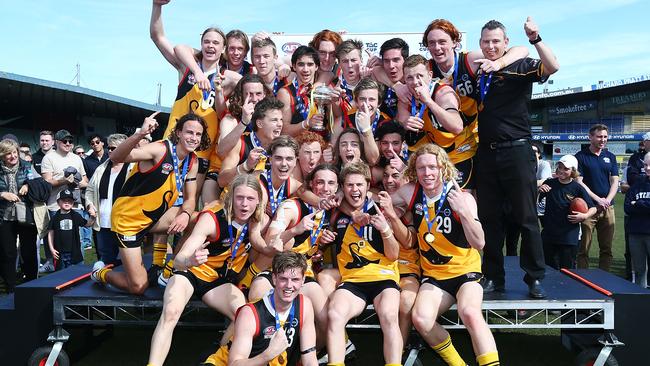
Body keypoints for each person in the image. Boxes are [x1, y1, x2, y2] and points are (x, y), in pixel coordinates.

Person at [388, 144, 499, 366]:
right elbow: (383, 203)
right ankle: (458, 364)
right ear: (414, 170)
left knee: (469, 312)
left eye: (433, 167)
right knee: (421, 319)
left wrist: (464, 213)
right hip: (435, 276)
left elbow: (480, 242)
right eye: (421, 168)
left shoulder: (461, 197)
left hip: (465, 271)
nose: (427, 173)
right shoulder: (411, 191)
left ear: (443, 168)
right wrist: (396, 211)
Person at [474, 18, 559, 298]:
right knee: (489, 219)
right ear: (480, 44)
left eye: (496, 41)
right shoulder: (476, 70)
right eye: (486, 41)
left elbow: (553, 66)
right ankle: (492, 276)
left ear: (505, 42)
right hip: (485, 152)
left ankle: (534, 277)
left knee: (526, 217)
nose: (490, 46)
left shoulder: (519, 65)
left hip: (518, 150)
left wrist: (535, 38)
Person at [147, 174, 268, 366]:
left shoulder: (259, 220)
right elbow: (179, 259)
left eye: (250, 198)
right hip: (191, 272)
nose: (244, 204)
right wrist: (191, 259)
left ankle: (215, 358)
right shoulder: (212, 219)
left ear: (258, 201)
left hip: (218, 281)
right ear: (231, 198)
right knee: (170, 313)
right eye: (240, 197)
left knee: (245, 315)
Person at [91, 112, 208, 295]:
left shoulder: (192, 161)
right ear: (178, 133)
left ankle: (168, 270)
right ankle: (101, 273)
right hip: (127, 222)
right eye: (189, 132)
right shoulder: (160, 149)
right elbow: (117, 158)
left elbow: (191, 199)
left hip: (152, 218)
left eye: (198, 134)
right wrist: (139, 134)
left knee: (199, 219)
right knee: (138, 287)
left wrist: (185, 215)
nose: (193, 138)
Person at [249, 163, 338, 350]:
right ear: (311, 185)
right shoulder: (292, 207)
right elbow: (273, 238)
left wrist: (321, 243)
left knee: (326, 317)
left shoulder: (329, 211)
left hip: (303, 274)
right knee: (257, 297)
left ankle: (304, 357)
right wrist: (295, 230)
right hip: (276, 269)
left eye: (331, 183)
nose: (325, 188)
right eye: (320, 182)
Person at [321, 162, 402, 366]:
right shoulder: (336, 211)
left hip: (384, 278)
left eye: (359, 185)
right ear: (342, 187)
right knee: (335, 314)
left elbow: (394, 255)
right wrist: (322, 240)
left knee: (389, 316)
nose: (354, 190)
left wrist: (385, 231)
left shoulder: (381, 209)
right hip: (352, 281)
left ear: (368, 186)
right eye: (349, 185)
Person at [201, 251, 318, 366]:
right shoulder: (250, 313)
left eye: (295, 280)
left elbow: (309, 359)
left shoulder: (305, 305)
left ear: (303, 281)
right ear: (274, 279)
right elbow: (234, 364)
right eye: (283, 279)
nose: (288, 285)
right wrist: (268, 354)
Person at [374, 162, 420, 347]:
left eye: (395, 175)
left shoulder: (414, 206)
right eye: (385, 176)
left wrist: (392, 215)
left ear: (407, 178)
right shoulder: (376, 203)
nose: (389, 180)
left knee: (406, 302)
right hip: (379, 268)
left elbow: (409, 241)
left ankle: (397, 352)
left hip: (406, 267)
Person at [396, 55, 463, 164]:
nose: (415, 82)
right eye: (409, 78)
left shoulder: (443, 93)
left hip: (458, 154)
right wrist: (404, 124)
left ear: (430, 75)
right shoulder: (406, 97)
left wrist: (429, 102)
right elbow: (402, 121)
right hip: (429, 158)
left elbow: (457, 127)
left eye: (420, 76)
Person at [41, 129, 89, 272]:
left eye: (70, 141)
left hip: (74, 205)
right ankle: (60, 275)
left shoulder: (76, 158)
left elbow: (85, 180)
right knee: (59, 244)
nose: (68, 144)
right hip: (56, 206)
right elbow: (46, 182)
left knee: (77, 241)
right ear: (56, 142)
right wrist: (63, 180)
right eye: (64, 141)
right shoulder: (49, 158)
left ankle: (78, 272)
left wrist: (78, 182)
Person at [538, 155, 597, 270]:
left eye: (566, 169)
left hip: (568, 236)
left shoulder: (577, 188)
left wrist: (584, 216)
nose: (561, 171)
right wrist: (539, 191)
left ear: (573, 171)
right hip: (549, 234)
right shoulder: (549, 183)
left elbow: (593, 208)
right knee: (548, 269)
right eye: (560, 167)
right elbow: (535, 204)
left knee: (567, 271)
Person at [575, 124, 619, 271]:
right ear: (590, 137)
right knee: (583, 249)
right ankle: (582, 279)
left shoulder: (610, 156)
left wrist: (607, 199)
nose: (603, 139)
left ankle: (604, 279)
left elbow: (615, 181)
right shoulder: (580, 157)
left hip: (608, 208)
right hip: (588, 208)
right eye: (599, 136)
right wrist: (598, 199)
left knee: (606, 249)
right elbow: (579, 182)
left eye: (605, 136)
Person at [217, 97, 284, 188]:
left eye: (281, 120)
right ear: (259, 123)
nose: (280, 124)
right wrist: (246, 166)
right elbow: (221, 181)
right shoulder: (241, 143)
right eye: (274, 120)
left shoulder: (283, 147)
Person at [85, 134, 130, 265]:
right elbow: (90, 190)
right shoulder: (101, 168)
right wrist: (89, 205)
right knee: (106, 261)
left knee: (126, 262)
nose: (110, 151)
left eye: (114, 148)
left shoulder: (133, 168)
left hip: (124, 223)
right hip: (103, 222)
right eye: (109, 148)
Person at [0, 138, 38, 292]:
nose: (13, 156)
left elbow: (38, 182)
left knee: (28, 251)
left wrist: (28, 185)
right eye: (8, 154)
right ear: (2, 156)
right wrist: (2, 194)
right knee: (7, 252)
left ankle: (31, 285)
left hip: (25, 214)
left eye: (14, 152)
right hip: (4, 216)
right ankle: (10, 286)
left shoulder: (27, 166)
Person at [277, 46, 322, 137]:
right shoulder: (285, 93)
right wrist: (306, 123)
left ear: (316, 67)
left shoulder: (323, 89)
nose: (305, 69)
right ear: (294, 66)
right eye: (301, 64)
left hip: (320, 146)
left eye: (310, 64)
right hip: (296, 147)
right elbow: (282, 130)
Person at [623, 132, 650, 281]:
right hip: (636, 232)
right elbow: (627, 206)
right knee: (640, 271)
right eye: (645, 165)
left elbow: (633, 204)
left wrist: (638, 204)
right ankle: (642, 301)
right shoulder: (638, 183)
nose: (647, 168)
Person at [47, 189, 95, 270]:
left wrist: (92, 217)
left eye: (69, 201)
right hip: (60, 253)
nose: (67, 202)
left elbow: (88, 224)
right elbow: (51, 233)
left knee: (75, 273)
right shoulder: (55, 217)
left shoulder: (75, 215)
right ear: (58, 202)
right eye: (64, 200)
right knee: (61, 275)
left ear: (73, 203)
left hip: (74, 252)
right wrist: (51, 249)